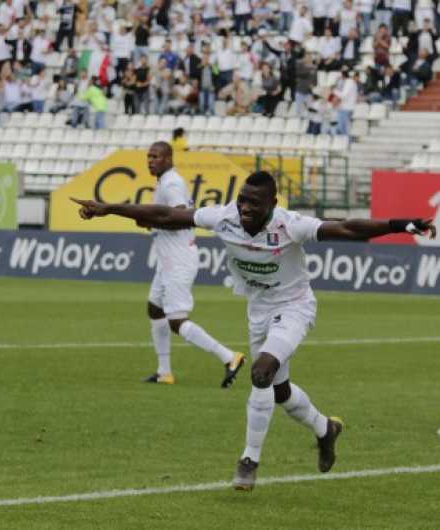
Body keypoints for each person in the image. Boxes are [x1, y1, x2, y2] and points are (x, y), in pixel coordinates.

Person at [71, 171, 436, 490]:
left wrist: (400, 224)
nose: (245, 208)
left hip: (294, 307)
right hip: (258, 310)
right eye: (242, 200)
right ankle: (326, 429)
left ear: (273, 204)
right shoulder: (225, 217)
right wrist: (109, 208)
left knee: (261, 372)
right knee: (280, 392)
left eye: (254, 203)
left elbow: (347, 228)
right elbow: (168, 215)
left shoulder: (289, 225)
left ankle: (248, 461)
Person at [77, 142, 247, 387]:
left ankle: (229, 357)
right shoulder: (163, 182)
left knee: (176, 320)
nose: (150, 161)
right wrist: (149, 222)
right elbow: (164, 218)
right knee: (155, 309)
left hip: (178, 259)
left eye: (155, 156)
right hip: (167, 259)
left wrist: (149, 220)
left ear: (169, 158)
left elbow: (179, 218)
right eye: (148, 157)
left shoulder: (172, 183)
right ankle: (164, 372)